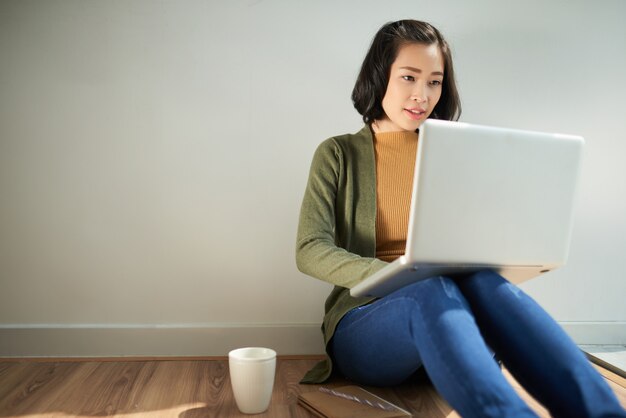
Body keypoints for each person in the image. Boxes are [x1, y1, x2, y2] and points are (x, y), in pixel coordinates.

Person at [295, 19, 626, 418]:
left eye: (434, 82)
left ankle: (604, 414)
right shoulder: (338, 154)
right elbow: (309, 249)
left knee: (483, 281)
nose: (422, 95)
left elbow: (472, 245)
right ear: (380, 76)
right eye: (409, 77)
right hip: (369, 324)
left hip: (453, 316)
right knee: (430, 289)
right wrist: (391, 274)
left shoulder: (454, 153)